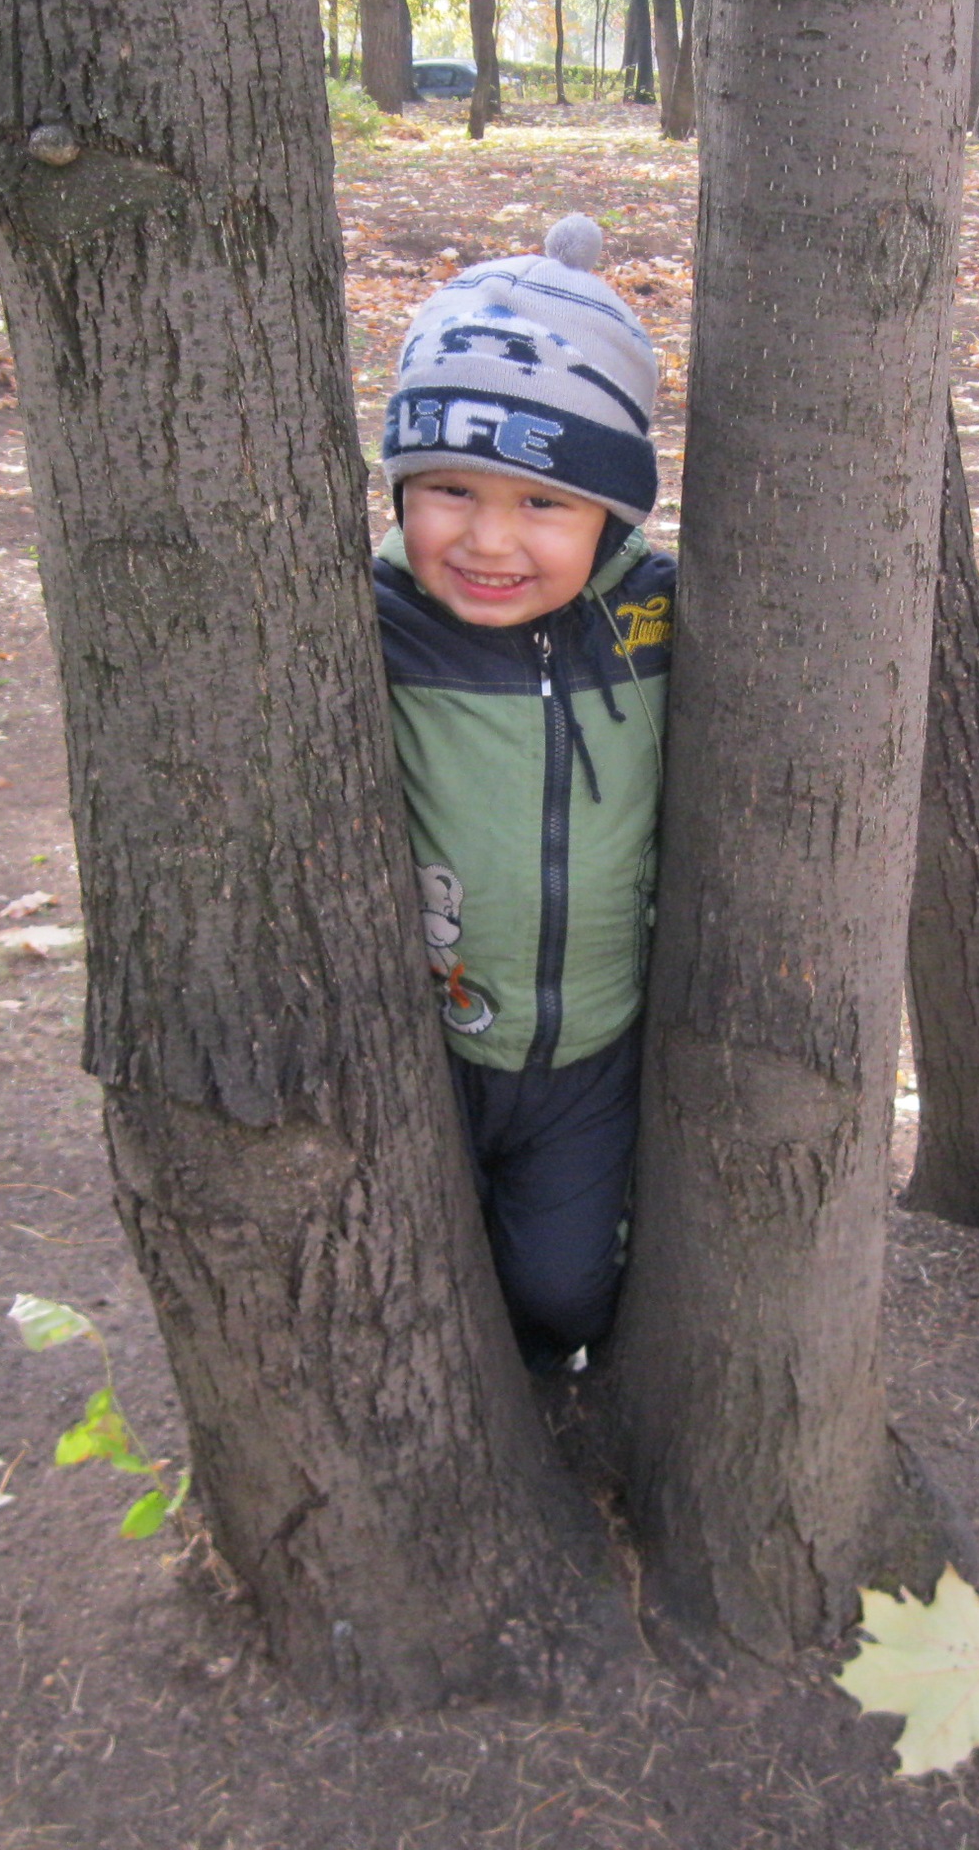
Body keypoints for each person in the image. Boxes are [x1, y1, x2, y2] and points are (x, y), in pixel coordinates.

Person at [374, 214, 672, 1372]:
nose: (489, 541)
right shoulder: (374, 619)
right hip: (424, 1046)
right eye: (449, 489)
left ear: (611, 515)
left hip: (593, 1049)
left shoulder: (658, 616)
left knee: (562, 1292)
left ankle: (546, 1396)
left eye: (543, 503)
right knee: (422, 1269)